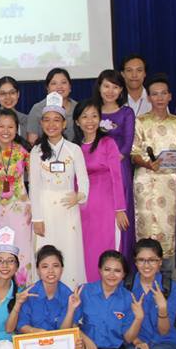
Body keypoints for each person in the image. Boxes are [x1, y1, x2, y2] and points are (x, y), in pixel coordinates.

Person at [130, 74, 176, 273]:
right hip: (144, 180)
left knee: (167, 228)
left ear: (170, 96)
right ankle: (143, 275)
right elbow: (134, 153)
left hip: (169, 182)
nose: (159, 98)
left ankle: (167, 278)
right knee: (144, 228)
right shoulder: (140, 121)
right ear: (149, 97)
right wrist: (148, 163)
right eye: (154, 94)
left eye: (163, 93)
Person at [29, 93, 89, 288]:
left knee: (69, 251)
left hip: (68, 207)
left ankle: (71, 292)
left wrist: (80, 196)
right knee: (45, 250)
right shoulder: (36, 151)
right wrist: (37, 218)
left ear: (64, 124)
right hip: (45, 208)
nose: (51, 124)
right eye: (46, 120)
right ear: (41, 123)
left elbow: (84, 180)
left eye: (56, 120)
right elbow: (34, 187)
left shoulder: (74, 149)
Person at [4, 245, 75, 349]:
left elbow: (65, 330)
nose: (50, 271)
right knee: (19, 340)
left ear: (62, 269)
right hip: (34, 338)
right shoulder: (29, 292)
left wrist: (71, 309)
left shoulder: (68, 295)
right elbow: (21, 326)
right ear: (37, 270)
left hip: (57, 341)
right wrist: (37, 332)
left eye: (55, 266)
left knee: (71, 342)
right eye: (45, 266)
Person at [74, 99, 128, 282]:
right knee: (85, 250)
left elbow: (117, 177)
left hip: (106, 207)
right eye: (85, 117)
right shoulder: (74, 148)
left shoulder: (107, 143)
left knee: (106, 249)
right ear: (77, 121)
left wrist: (120, 208)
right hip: (82, 209)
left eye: (94, 116)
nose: (90, 121)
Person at [0, 108, 32, 283]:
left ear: (17, 128)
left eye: (10, 127)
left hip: (20, 211)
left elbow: (36, 180)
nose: (5, 131)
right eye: (1, 126)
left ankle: (23, 289)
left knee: (21, 251)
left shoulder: (24, 151)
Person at [94, 69, 136, 258]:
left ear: (121, 90)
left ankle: (123, 259)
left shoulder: (127, 113)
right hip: (95, 173)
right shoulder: (92, 111)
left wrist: (109, 162)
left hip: (119, 169)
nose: (110, 91)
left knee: (121, 214)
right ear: (99, 87)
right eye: (106, 86)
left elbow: (126, 146)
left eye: (116, 87)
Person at [26, 68, 76, 144]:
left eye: (63, 82)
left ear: (70, 87)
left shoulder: (78, 108)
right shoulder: (37, 109)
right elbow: (32, 141)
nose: (59, 86)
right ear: (47, 88)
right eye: (54, 83)